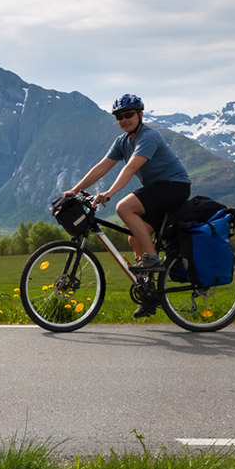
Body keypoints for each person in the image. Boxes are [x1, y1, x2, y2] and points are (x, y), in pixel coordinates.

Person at [63, 94, 191, 317]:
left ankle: (153, 258)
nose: (124, 120)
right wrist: (74, 190)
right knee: (134, 239)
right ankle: (149, 295)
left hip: (174, 186)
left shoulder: (149, 137)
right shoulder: (122, 142)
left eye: (128, 114)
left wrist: (110, 192)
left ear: (140, 115)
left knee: (124, 207)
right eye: (119, 117)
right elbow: (102, 167)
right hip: (159, 190)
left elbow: (130, 168)